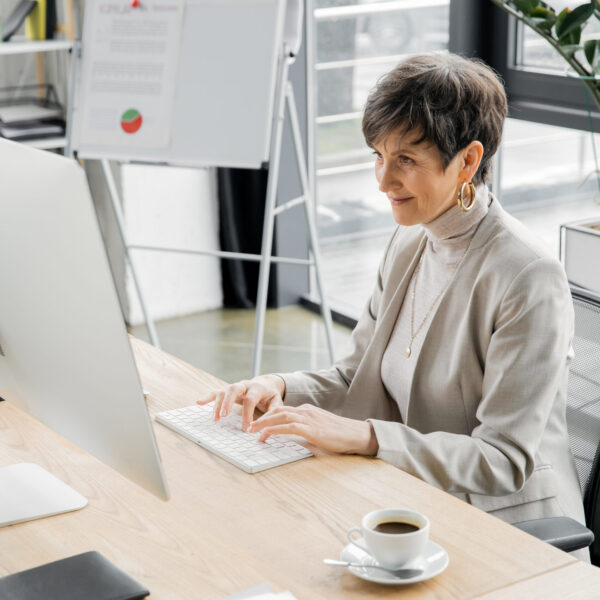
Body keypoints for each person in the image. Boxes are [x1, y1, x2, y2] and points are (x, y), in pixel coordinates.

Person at [198, 53, 586, 550]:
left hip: (507, 529)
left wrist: (365, 437)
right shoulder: (410, 241)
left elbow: (502, 460)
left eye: (406, 160)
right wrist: (276, 386)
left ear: (468, 160)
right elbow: (354, 375)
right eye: (378, 156)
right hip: (415, 499)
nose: (382, 181)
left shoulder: (527, 275)